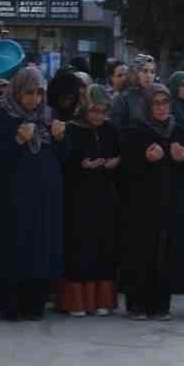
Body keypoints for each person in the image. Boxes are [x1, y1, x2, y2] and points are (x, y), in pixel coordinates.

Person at [0, 66, 66, 320]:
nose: (34, 99)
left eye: (39, 93)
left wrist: (61, 140)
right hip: (13, 198)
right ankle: (11, 304)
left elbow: (62, 160)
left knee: (40, 247)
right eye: (29, 93)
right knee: (15, 248)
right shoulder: (4, 118)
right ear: (18, 92)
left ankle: (36, 303)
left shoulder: (47, 118)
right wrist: (17, 141)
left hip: (44, 197)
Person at [118, 84, 184, 319]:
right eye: (156, 103)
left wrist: (183, 159)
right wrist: (145, 159)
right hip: (141, 204)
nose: (161, 108)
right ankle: (137, 304)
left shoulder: (178, 131)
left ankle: (161, 305)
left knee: (165, 253)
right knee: (141, 251)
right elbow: (125, 168)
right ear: (147, 105)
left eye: (165, 103)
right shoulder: (136, 131)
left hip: (170, 202)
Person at [58, 85, 120, 317]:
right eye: (94, 110)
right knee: (80, 248)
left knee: (104, 247)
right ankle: (77, 302)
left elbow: (119, 154)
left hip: (104, 198)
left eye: (103, 111)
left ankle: (102, 300)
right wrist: (80, 165)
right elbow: (64, 161)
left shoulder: (111, 130)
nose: (98, 117)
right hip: (79, 199)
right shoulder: (73, 130)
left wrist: (115, 162)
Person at [109, 54, 155, 130]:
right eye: (144, 71)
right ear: (135, 72)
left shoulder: (155, 95)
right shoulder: (121, 99)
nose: (149, 75)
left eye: (152, 71)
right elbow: (115, 129)